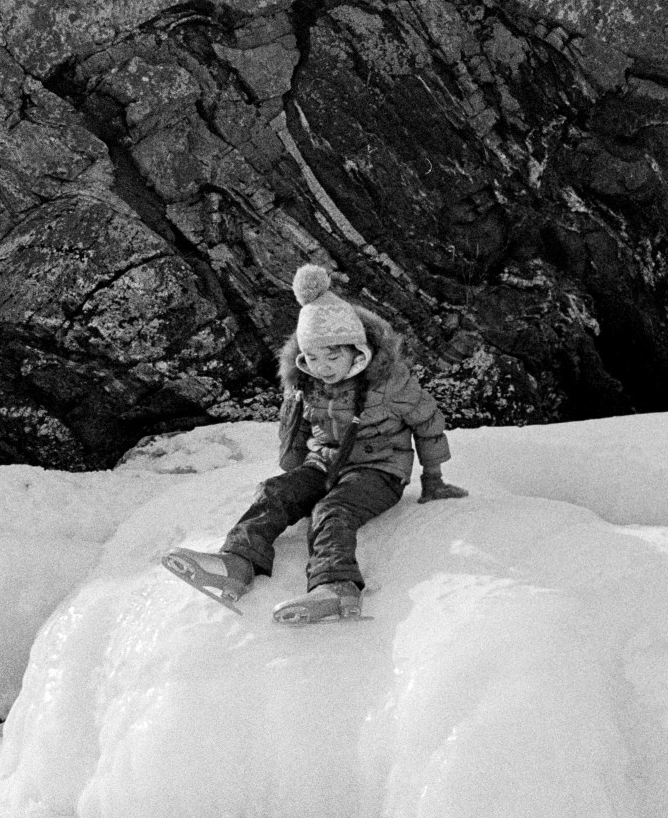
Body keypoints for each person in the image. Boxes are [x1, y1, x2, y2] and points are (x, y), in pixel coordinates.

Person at [162, 263, 468, 624]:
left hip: (379, 471)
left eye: (333, 356)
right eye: (313, 358)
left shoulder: (391, 383)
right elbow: (297, 432)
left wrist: (433, 479)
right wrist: (295, 481)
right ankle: (237, 563)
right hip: (323, 464)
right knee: (273, 492)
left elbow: (428, 423)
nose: (322, 367)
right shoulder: (307, 383)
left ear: (359, 352)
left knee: (332, 511)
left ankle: (336, 587)